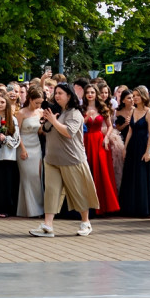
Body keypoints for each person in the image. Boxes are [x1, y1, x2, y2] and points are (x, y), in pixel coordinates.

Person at [29, 83, 99, 238]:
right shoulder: (57, 111)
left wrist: (53, 121)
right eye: (56, 93)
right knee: (51, 193)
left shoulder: (75, 113)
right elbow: (45, 130)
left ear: (69, 95)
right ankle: (48, 226)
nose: (57, 95)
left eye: (60, 93)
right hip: (52, 159)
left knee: (78, 192)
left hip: (72, 159)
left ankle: (85, 222)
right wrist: (47, 120)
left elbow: (68, 133)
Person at [118, 86, 150, 217]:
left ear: (143, 96)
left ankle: (143, 208)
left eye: (137, 95)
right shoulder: (133, 111)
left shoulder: (149, 112)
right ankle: (129, 207)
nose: (134, 98)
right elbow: (130, 131)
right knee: (130, 175)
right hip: (132, 146)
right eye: (133, 96)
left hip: (143, 146)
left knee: (141, 176)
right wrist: (125, 148)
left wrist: (147, 152)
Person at [82, 84, 120, 215]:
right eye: (88, 92)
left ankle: (104, 206)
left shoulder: (103, 108)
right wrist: (86, 117)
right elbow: (79, 125)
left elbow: (110, 126)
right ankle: (89, 207)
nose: (90, 94)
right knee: (88, 171)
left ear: (95, 93)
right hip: (86, 141)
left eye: (92, 92)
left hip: (99, 140)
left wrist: (106, 138)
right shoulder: (81, 108)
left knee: (102, 171)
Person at [16, 86, 45, 218]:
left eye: (40, 103)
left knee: (36, 177)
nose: (38, 105)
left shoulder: (40, 112)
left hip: (36, 146)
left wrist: (44, 127)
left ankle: (38, 209)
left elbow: (39, 131)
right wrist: (22, 149)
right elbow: (17, 132)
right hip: (24, 146)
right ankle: (29, 210)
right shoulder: (21, 113)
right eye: (36, 102)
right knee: (27, 178)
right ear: (30, 99)